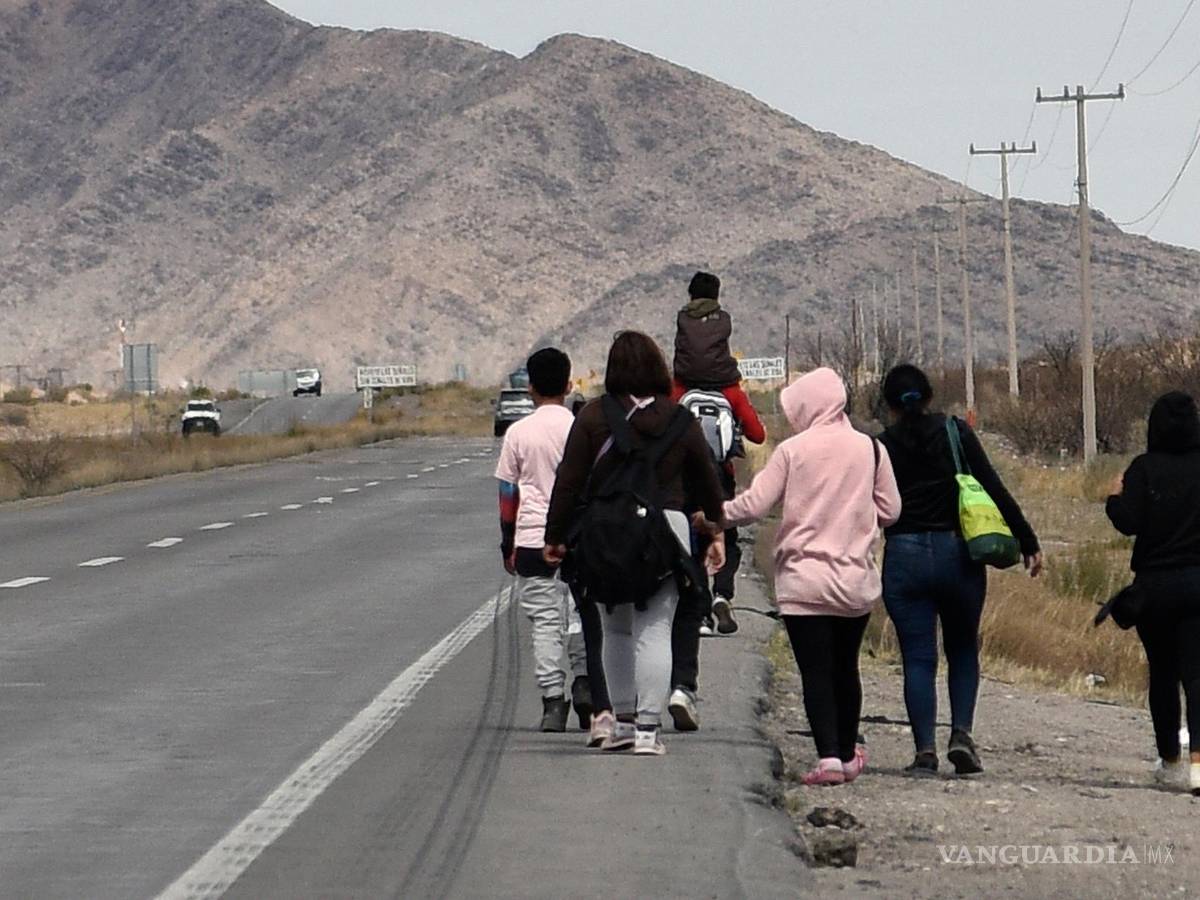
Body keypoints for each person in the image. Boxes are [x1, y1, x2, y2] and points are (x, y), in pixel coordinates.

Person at [714, 367, 900, 785]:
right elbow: (891, 511)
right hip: (853, 582)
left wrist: (714, 518)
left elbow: (755, 505)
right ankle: (850, 755)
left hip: (803, 579)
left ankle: (828, 758)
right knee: (845, 668)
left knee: (814, 671)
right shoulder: (870, 450)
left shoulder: (793, 452)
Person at [545, 331, 726, 757]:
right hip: (667, 530)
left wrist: (555, 537)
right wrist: (714, 530)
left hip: (605, 533)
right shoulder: (681, 421)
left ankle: (622, 722)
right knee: (655, 628)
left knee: (615, 629)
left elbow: (568, 483)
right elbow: (708, 482)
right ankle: (648, 729)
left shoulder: (592, 417)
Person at [877, 365, 1042, 777]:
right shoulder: (955, 432)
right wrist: (1027, 540)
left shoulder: (879, 448)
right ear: (930, 396)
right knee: (963, 648)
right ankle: (961, 735)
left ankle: (924, 752)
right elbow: (992, 485)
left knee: (917, 658)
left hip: (904, 555)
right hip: (958, 554)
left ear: (889, 405)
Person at [666, 270, 767, 732]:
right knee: (726, 533)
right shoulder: (730, 387)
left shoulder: (678, 387)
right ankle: (725, 592)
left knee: (691, 538)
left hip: (685, 481)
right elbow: (760, 433)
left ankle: (702, 604)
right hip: (722, 478)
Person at [1105, 391, 1200, 796]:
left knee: (1162, 673)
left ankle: (1170, 762)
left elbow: (1128, 522)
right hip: (1199, 585)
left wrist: (1112, 496)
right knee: (1198, 677)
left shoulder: (1143, 468)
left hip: (1154, 588)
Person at [495, 348, 591, 732]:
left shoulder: (519, 433)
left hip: (533, 540)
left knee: (545, 624)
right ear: (569, 385)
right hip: (578, 540)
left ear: (530, 388)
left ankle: (553, 701)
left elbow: (508, 493)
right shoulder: (582, 428)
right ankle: (585, 684)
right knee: (581, 617)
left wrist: (508, 543)